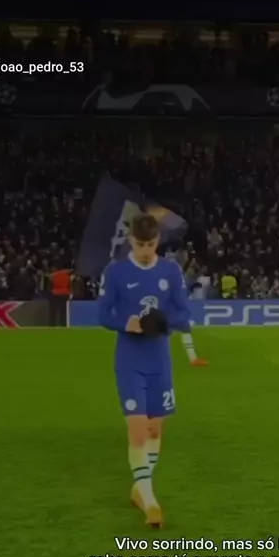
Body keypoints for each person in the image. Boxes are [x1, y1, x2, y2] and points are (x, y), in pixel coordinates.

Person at [98, 214, 191, 528]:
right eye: (140, 245)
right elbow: (103, 314)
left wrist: (161, 322)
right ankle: (150, 501)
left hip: (159, 360)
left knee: (154, 430)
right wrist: (128, 323)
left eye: (151, 244)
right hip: (130, 359)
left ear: (158, 241)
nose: (146, 251)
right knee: (137, 431)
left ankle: (140, 488)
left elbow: (184, 313)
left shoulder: (171, 271)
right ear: (131, 241)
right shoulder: (116, 272)